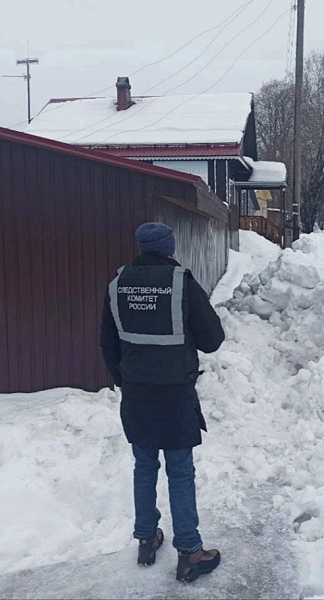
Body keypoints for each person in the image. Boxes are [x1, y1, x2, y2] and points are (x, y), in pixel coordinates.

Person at [100, 222, 225, 583]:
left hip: (136, 395)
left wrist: (126, 382)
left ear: (140, 248)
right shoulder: (181, 282)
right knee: (180, 472)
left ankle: (146, 538)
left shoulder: (117, 284)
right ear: (170, 248)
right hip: (175, 396)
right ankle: (189, 552)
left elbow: (106, 343)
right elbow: (212, 339)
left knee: (144, 466)